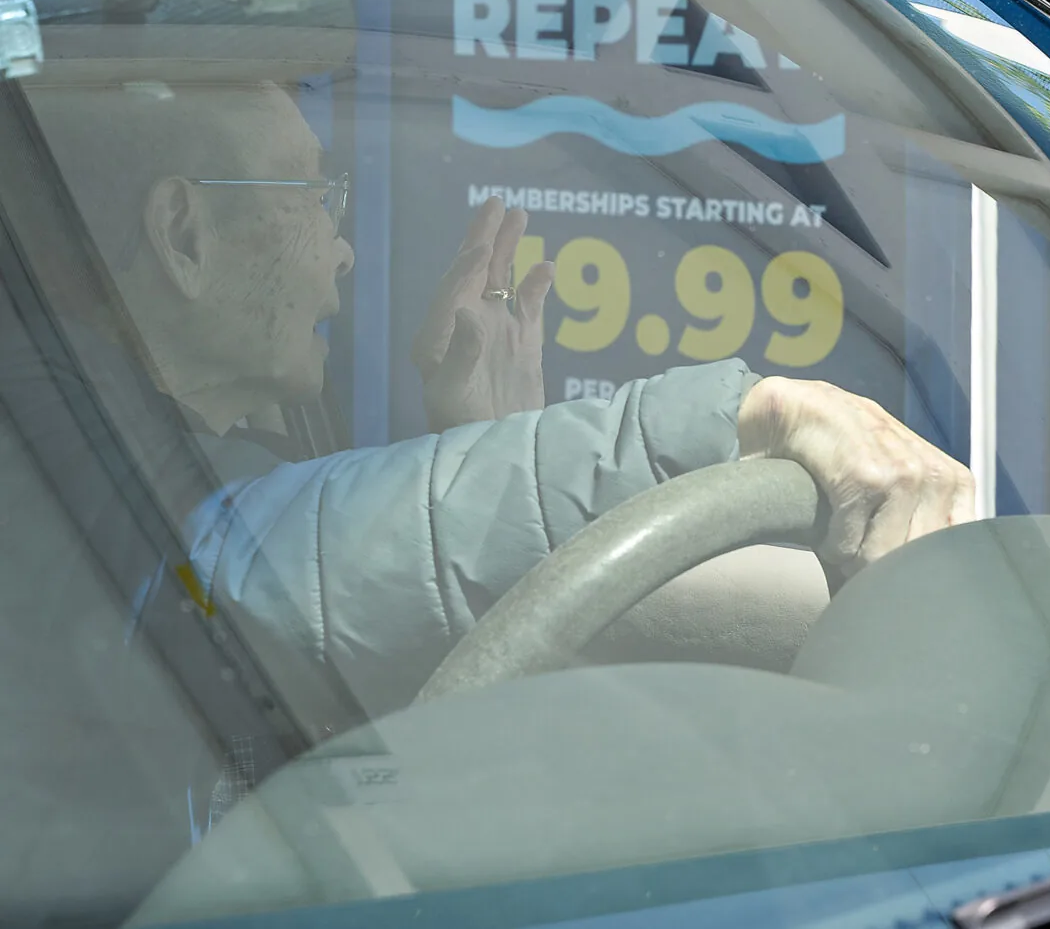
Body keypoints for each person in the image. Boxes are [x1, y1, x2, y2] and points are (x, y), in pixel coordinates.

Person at [27, 77, 972, 723]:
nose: (343, 250)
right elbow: (259, 558)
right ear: (183, 234)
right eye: (312, 195)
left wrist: (489, 440)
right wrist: (751, 413)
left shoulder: (138, 437)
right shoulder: (43, 459)